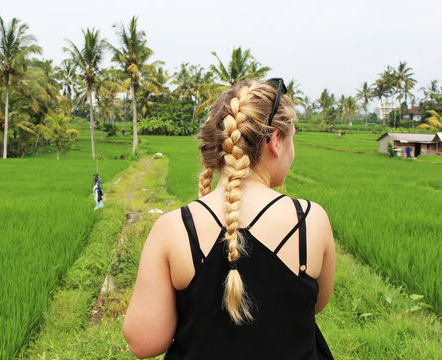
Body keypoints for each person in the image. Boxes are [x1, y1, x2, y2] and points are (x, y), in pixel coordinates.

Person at [123, 79, 336, 359]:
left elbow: (144, 342)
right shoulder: (311, 220)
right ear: (275, 141)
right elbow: (314, 303)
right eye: (292, 138)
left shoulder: (173, 229)